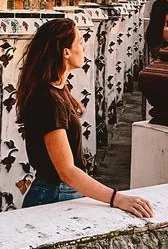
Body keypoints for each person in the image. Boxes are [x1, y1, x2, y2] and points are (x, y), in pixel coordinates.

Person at [16, 18, 153, 218]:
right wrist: (117, 199)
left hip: (61, 192)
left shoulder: (56, 91)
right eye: (79, 42)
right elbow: (66, 171)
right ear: (66, 52)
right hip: (54, 194)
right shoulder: (48, 100)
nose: (84, 47)